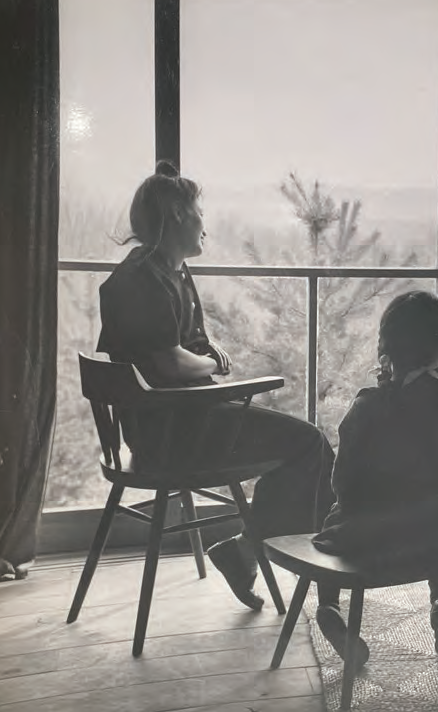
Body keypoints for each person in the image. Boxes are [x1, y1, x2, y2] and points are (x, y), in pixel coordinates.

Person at [96, 160, 335, 609]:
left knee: (307, 446)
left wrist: (206, 351)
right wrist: (207, 361)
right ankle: (285, 566)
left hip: (171, 422)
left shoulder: (164, 272)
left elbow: (179, 344)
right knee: (311, 446)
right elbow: (166, 362)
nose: (205, 224)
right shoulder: (143, 282)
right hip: (172, 434)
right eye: (199, 212)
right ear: (178, 216)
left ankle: (252, 550)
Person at [310, 290, 438, 670]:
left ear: (386, 346)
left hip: (371, 541)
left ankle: (329, 607)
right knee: (435, 510)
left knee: (335, 517)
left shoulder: (367, 406)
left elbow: (344, 481)